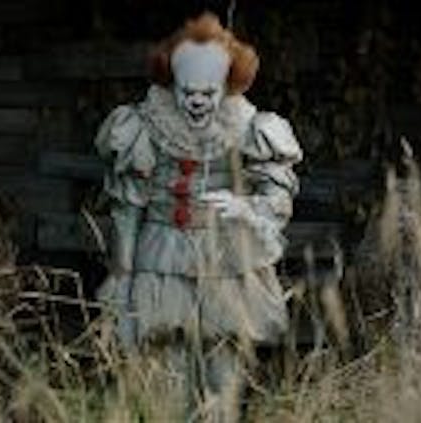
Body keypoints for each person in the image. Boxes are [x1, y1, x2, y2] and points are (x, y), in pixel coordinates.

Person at [95, 12, 301, 421]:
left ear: (227, 84)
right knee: (166, 367)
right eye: (188, 91)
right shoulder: (145, 125)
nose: (197, 101)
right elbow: (129, 205)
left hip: (225, 260)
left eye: (208, 92)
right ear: (172, 83)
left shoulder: (250, 127)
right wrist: (122, 273)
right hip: (161, 258)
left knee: (223, 367)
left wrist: (247, 207)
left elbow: (277, 195)